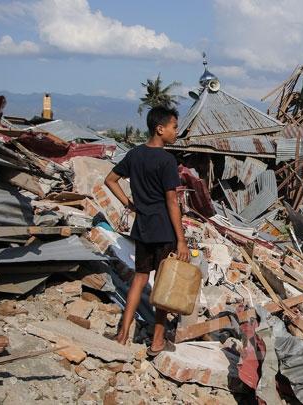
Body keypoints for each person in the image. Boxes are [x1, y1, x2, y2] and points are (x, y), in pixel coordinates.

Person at [104, 105, 190, 355]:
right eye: (174, 127)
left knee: (139, 280)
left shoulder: (134, 155)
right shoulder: (166, 160)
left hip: (142, 228)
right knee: (162, 286)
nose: (177, 131)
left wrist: (128, 203)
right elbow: (172, 202)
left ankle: (122, 335)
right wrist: (181, 240)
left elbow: (109, 179)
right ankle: (157, 341)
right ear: (160, 129)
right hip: (164, 230)